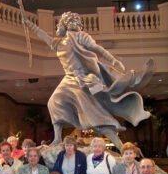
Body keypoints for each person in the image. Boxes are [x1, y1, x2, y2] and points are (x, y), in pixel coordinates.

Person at [24, 12, 152, 149]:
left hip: (82, 81)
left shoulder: (80, 37)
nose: (57, 28)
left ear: (65, 24)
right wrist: (29, 24)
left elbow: (98, 49)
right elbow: (44, 36)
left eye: (59, 24)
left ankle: (121, 146)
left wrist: (113, 60)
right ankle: (57, 138)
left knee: (96, 117)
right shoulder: (58, 43)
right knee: (53, 103)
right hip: (68, 80)